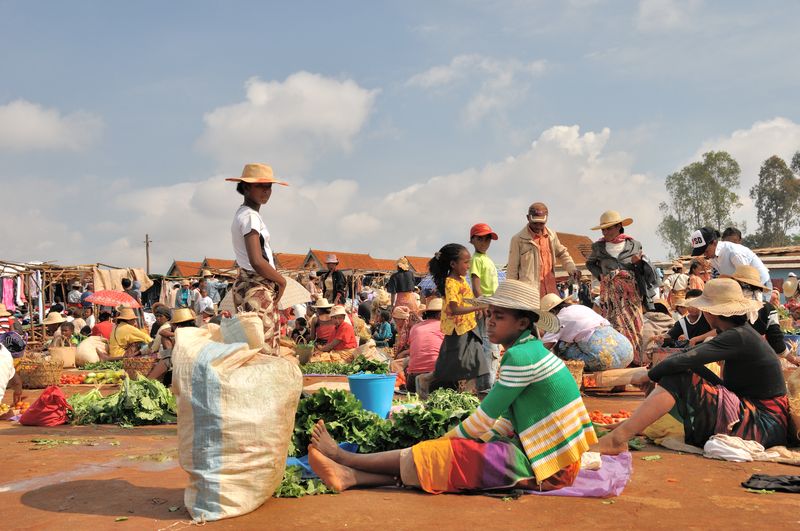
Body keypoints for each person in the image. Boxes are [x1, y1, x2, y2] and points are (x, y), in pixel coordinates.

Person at [307, 279, 597, 494]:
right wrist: (474, 441)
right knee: (452, 456)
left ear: (522, 322)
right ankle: (350, 476)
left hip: (551, 467)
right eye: (490, 314)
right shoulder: (527, 350)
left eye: (500, 316)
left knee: (446, 455)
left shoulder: (522, 356)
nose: (491, 322)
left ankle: (346, 457)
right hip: (549, 457)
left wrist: (444, 443)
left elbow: (485, 417)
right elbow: (505, 420)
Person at [599, 278, 789, 454]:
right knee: (682, 370)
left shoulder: (737, 336)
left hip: (764, 424)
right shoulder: (740, 333)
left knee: (678, 375)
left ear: (710, 313)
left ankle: (617, 439)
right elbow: (688, 358)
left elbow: (683, 359)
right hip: (762, 417)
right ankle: (633, 426)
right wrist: (660, 372)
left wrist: (649, 375)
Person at [227, 163, 288, 357]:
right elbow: (256, 260)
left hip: (248, 286)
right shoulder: (250, 217)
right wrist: (281, 280)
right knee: (265, 353)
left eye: (269, 186)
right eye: (261, 186)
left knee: (252, 350)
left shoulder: (242, 214)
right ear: (246, 187)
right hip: (256, 289)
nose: (266, 191)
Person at [586, 210, 657, 366]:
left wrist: (638, 262)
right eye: (604, 229)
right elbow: (589, 263)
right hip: (610, 297)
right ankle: (618, 367)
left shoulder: (634, 245)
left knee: (635, 327)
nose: (606, 232)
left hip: (631, 295)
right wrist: (601, 276)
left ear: (619, 226)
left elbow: (644, 268)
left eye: (609, 228)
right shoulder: (598, 247)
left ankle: (635, 364)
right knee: (613, 328)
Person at [428, 243, 487, 391]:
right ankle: (425, 380)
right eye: (466, 262)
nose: (468, 266)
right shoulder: (451, 283)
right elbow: (454, 309)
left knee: (476, 363)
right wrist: (478, 307)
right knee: (450, 367)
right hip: (457, 329)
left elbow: (465, 301)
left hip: (468, 327)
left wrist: (476, 308)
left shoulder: (461, 280)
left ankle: (468, 394)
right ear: (453, 264)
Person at [539, 293, 633, 372]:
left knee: (561, 346)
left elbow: (543, 348)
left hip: (606, 361)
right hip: (628, 352)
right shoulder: (580, 307)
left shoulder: (558, 319)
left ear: (552, 312)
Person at [506, 202, 577, 305]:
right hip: (529, 296)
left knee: (552, 320)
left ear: (546, 219)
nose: (538, 226)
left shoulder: (551, 236)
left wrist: (572, 269)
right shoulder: (518, 240)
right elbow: (512, 270)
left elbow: (562, 253)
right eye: (535, 223)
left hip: (551, 294)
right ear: (528, 218)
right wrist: (511, 296)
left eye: (541, 223)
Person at [724, 265, 797, 362]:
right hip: (757, 359)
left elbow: (720, 331)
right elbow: (776, 340)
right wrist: (792, 359)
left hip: (731, 359)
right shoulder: (767, 308)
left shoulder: (725, 306)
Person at [469, 222, 501, 389]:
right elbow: (476, 286)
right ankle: (486, 384)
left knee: (491, 343)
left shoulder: (486, 259)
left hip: (492, 303)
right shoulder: (475, 260)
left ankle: (488, 382)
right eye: (481, 238)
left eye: (488, 238)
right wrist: (482, 304)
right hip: (486, 304)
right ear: (473, 240)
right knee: (489, 344)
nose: (485, 242)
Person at [690, 226, 771, 289]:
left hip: (760, 284)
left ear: (714, 243)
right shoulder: (712, 257)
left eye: (706, 251)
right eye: (702, 253)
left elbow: (747, 279)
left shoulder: (733, 252)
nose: (705, 255)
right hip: (742, 286)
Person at [404, 298, 445, 393]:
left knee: (406, 361)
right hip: (435, 380)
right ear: (440, 314)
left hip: (413, 382)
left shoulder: (415, 327)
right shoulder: (444, 327)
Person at [148, 308, 196, 384]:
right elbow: (162, 332)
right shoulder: (196, 331)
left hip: (185, 364)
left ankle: (148, 381)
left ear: (178, 325)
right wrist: (176, 334)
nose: (158, 318)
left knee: (167, 357)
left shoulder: (182, 335)